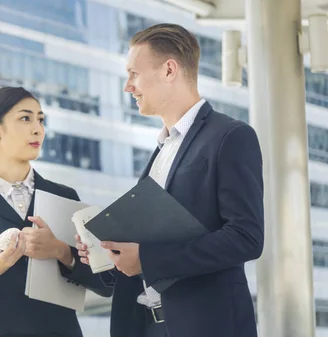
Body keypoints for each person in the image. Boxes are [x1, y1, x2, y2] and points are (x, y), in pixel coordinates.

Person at [77, 23, 264, 337]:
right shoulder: (161, 151)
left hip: (205, 326)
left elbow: (246, 237)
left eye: (134, 73)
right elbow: (157, 242)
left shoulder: (230, 137)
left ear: (169, 70)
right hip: (147, 326)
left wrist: (147, 259)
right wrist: (108, 253)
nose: (128, 87)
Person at [0, 86, 112, 337]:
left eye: (40, 119)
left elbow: (107, 283)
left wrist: (61, 252)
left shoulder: (64, 197)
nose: (37, 128)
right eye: (25, 118)